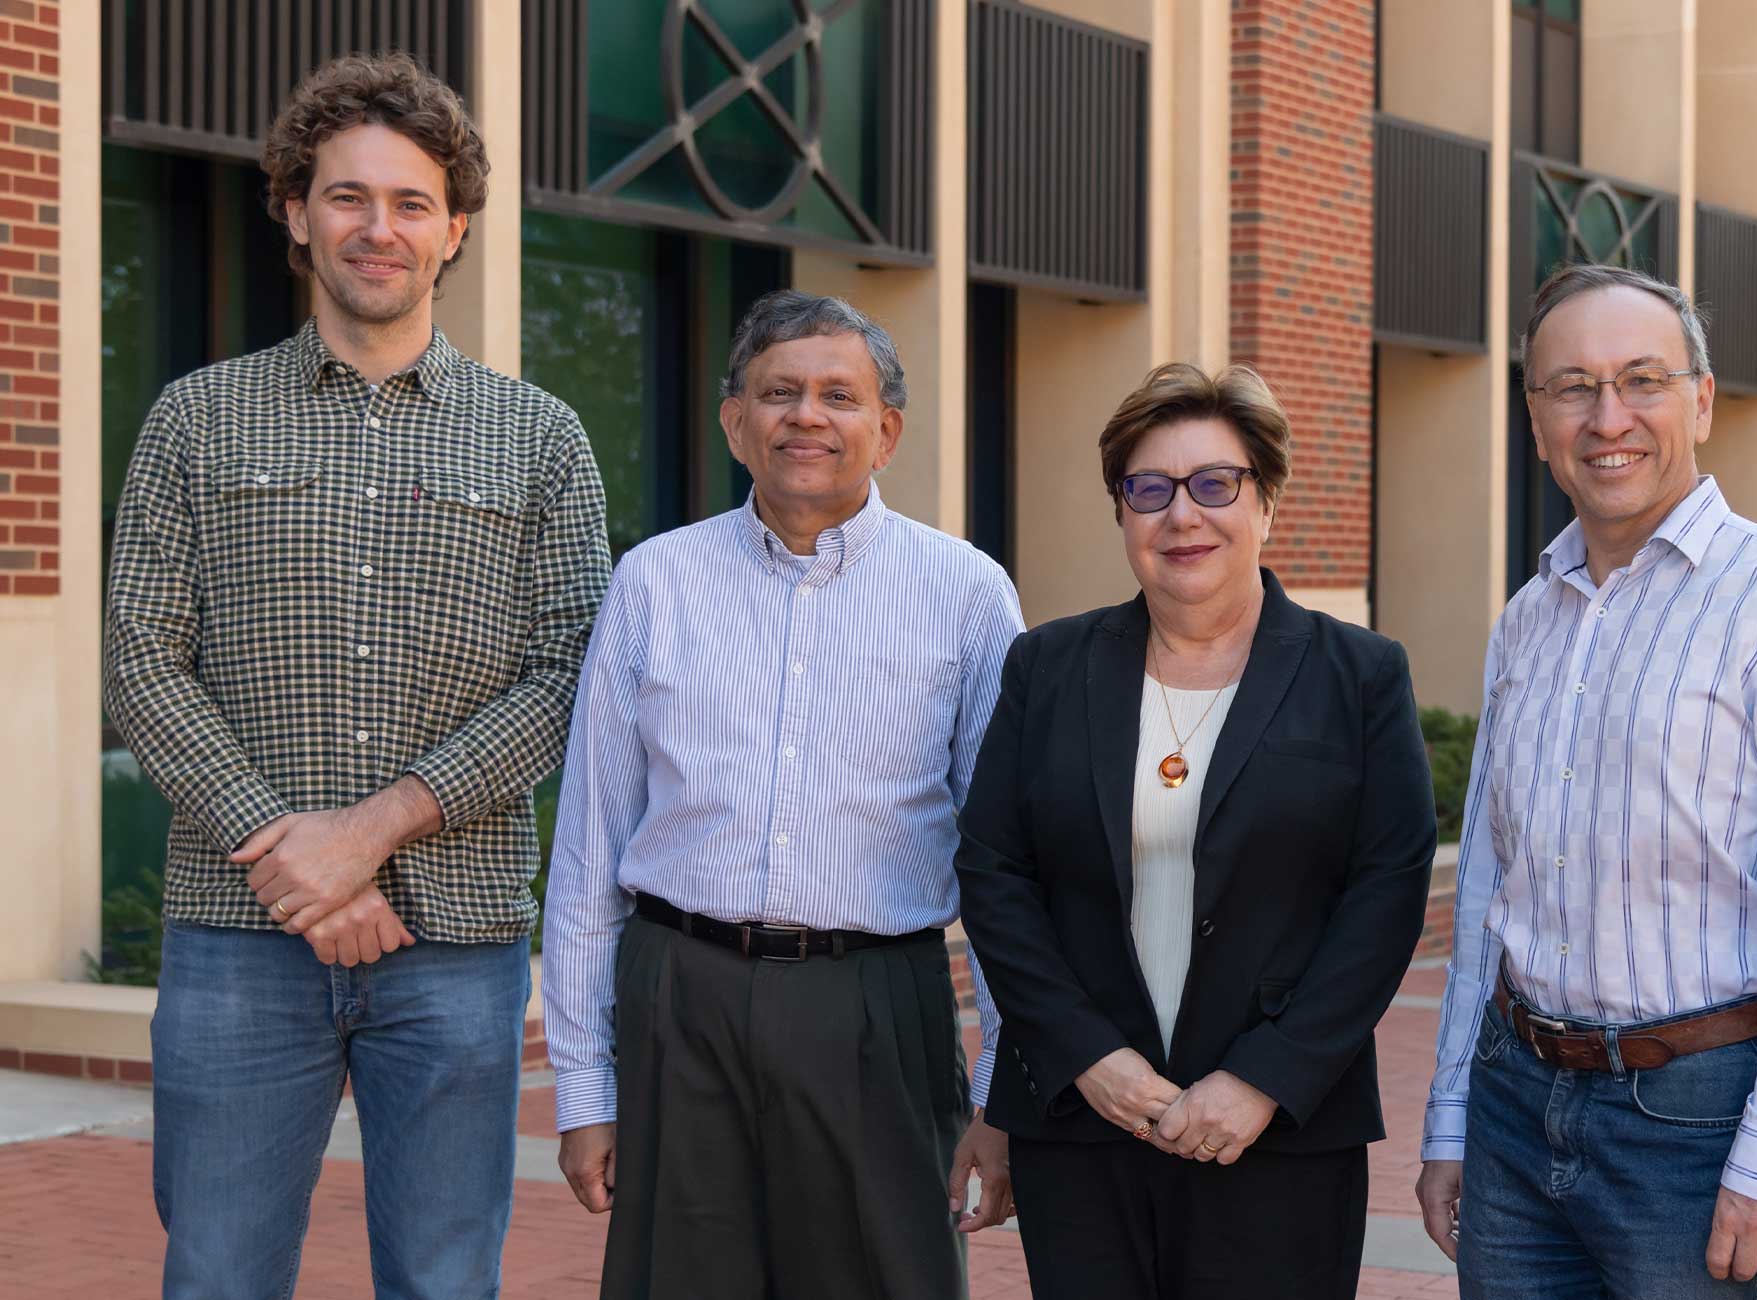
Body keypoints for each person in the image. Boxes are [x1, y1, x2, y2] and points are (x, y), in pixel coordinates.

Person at [101, 54, 611, 1299]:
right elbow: (142, 659)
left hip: (455, 943)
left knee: (444, 1281)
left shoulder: (541, 438)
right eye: (347, 196)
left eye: (411, 202)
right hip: (238, 937)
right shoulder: (195, 419)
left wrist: (368, 833)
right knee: (218, 1275)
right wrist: (300, 864)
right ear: (294, 210)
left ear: (455, 230)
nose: (378, 227)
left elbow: (568, 676)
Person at [1416, 263, 1757, 1298]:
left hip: (1695, 1122)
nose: (1607, 417)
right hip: (1512, 1103)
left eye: (1642, 379)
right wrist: (1451, 1114)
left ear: (1701, 400)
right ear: (1535, 421)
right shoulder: (1528, 619)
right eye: (1572, 388)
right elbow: (1490, 888)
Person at [541, 289, 1019, 1298]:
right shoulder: (653, 582)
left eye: (839, 395)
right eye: (778, 392)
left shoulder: (968, 594)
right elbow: (589, 850)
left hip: (877, 1007)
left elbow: (1007, 868)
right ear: (734, 422)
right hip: (681, 999)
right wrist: (584, 1089)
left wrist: (1001, 1090)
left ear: (887, 431)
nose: (807, 416)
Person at [953, 361, 1437, 1300]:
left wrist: (1263, 1078)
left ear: (1267, 503)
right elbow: (996, 872)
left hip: (1278, 1134)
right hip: (1083, 1126)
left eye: (1216, 484)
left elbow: (1385, 895)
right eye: (1149, 489)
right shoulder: (1046, 667)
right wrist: (1088, 1059)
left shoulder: (1359, 675)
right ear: (1121, 512)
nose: (1182, 515)